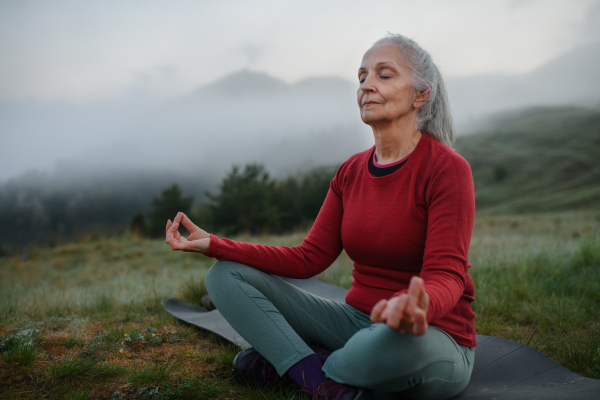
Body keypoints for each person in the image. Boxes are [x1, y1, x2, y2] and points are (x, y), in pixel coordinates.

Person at [165, 33, 476, 400]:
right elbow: (308, 257)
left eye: (384, 75)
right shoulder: (351, 172)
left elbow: (446, 274)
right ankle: (322, 382)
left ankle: (293, 366)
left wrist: (419, 304)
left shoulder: (446, 169)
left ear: (421, 95)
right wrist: (216, 245)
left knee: (381, 347)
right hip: (355, 321)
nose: (366, 86)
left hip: (430, 333)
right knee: (224, 276)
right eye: (361, 77)